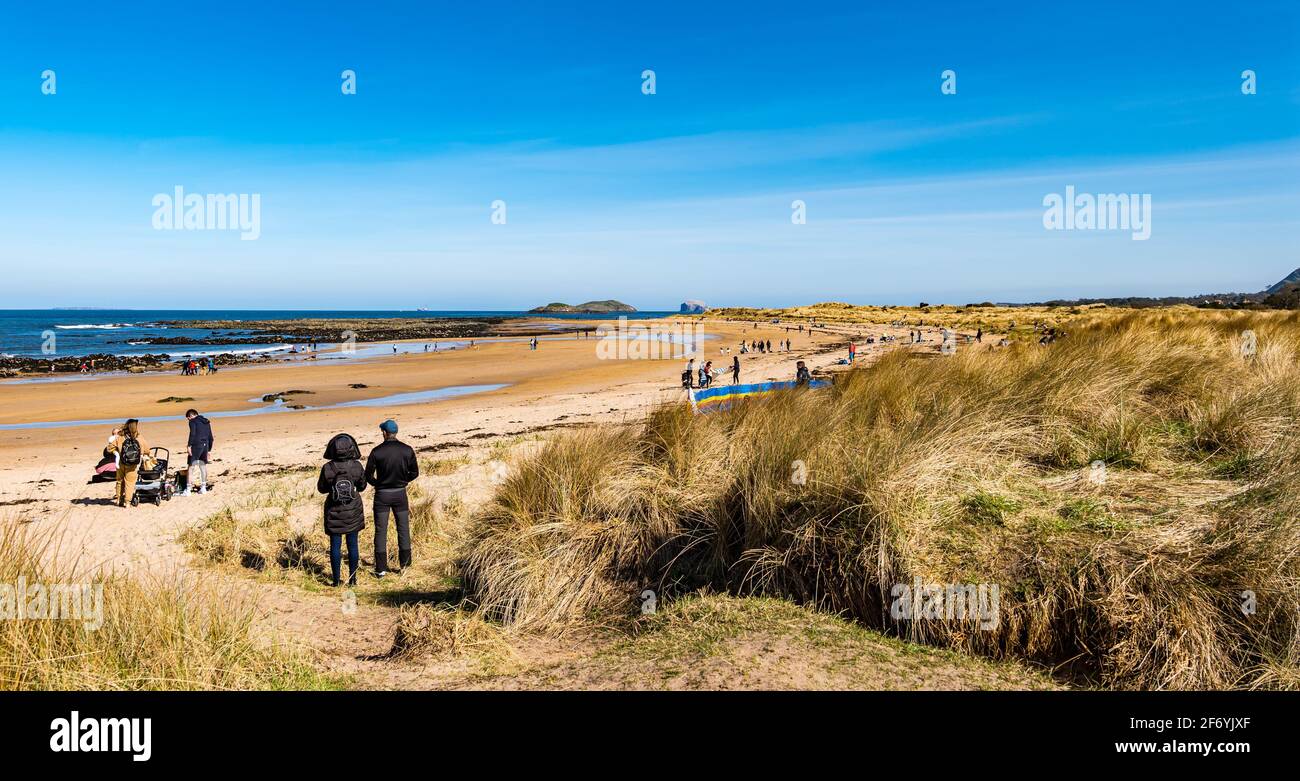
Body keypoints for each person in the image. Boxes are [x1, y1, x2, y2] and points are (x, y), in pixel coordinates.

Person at [365, 419, 419, 577]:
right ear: (395, 432)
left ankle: (381, 569)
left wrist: (377, 483)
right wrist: (403, 481)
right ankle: (405, 566)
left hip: (382, 495)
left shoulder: (376, 451)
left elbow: (368, 474)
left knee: (381, 531)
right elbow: (415, 473)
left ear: (384, 433)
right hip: (400, 493)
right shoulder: (407, 450)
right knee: (403, 529)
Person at [317, 433, 367, 587]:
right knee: (353, 545)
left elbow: (321, 489)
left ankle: (336, 580)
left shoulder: (328, 468)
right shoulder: (357, 466)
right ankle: (353, 579)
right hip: (353, 509)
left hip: (334, 509)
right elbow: (363, 486)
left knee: (335, 546)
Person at [107, 419, 151, 507]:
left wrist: (117, 452)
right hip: (133, 464)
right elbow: (147, 450)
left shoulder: (120, 437)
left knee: (119, 481)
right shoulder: (139, 437)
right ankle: (127, 502)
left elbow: (109, 448)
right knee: (130, 483)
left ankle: (119, 499)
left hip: (121, 462)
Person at [183, 409, 214, 495]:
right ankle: (203, 488)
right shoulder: (206, 421)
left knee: (191, 467)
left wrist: (189, 446)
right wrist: (209, 450)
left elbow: (192, 434)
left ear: (190, 416)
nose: (188, 420)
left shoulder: (192, 421)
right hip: (206, 445)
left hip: (196, 445)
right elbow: (211, 437)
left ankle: (188, 490)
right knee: (202, 466)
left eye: (188, 418)